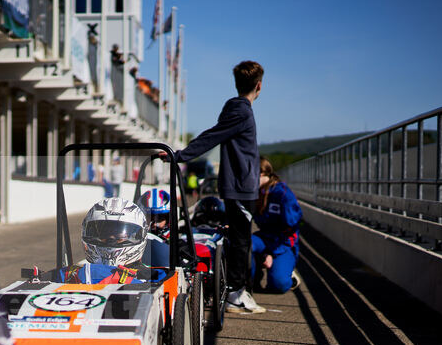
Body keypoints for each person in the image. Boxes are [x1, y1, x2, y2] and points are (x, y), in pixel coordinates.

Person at [164, 60, 266, 314]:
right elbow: (213, 135)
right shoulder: (241, 110)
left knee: (240, 240)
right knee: (242, 242)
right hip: (241, 187)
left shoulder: (238, 108)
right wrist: (181, 155)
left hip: (241, 185)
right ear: (259, 86)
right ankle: (235, 293)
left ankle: (239, 290)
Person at [53, 197, 154, 284]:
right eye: (103, 234)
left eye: (119, 236)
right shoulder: (68, 275)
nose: (111, 239)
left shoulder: (153, 278)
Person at [251, 157, 303, 294]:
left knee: (279, 285)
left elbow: (292, 229)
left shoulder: (282, 194)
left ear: (261, 173)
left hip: (283, 242)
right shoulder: (255, 192)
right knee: (244, 245)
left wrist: (271, 253)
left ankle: (288, 274)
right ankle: (251, 279)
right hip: (264, 237)